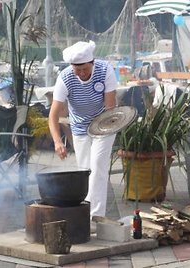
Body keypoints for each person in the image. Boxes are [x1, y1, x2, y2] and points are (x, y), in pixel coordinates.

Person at [48, 41, 118, 218]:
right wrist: (57, 142)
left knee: (97, 167)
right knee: (85, 171)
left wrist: (104, 128)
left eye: (84, 69)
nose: (80, 73)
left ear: (92, 63)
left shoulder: (105, 70)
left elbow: (110, 106)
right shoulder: (65, 78)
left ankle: (96, 216)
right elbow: (53, 115)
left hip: (104, 124)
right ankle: (84, 212)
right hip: (79, 127)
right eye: (76, 69)